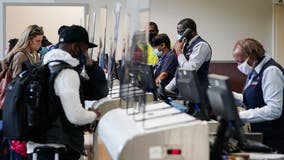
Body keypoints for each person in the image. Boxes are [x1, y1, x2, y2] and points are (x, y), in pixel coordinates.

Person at [26, 25, 108, 160]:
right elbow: (76, 116)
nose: (86, 53)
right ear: (75, 47)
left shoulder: (46, 66)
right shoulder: (66, 73)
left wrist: (90, 65)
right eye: (85, 49)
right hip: (56, 150)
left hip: (41, 147)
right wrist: (93, 115)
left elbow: (97, 91)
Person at [232, 38, 284, 153]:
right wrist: (229, 96)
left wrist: (238, 115)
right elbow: (253, 98)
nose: (238, 66)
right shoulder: (255, 71)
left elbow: (274, 110)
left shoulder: (271, 72)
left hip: (275, 137)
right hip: (262, 133)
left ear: (253, 56)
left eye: (241, 61)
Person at [2, 24, 44, 160]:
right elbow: (17, 83)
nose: (40, 44)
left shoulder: (34, 55)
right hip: (17, 105)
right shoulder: (21, 56)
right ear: (29, 40)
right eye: (37, 41)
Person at [165, 18, 212, 94]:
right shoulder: (186, 45)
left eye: (181, 32)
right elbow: (180, 73)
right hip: (186, 91)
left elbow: (188, 70)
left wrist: (179, 52)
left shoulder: (201, 46)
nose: (179, 35)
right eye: (178, 32)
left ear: (189, 31)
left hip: (198, 93)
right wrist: (167, 89)